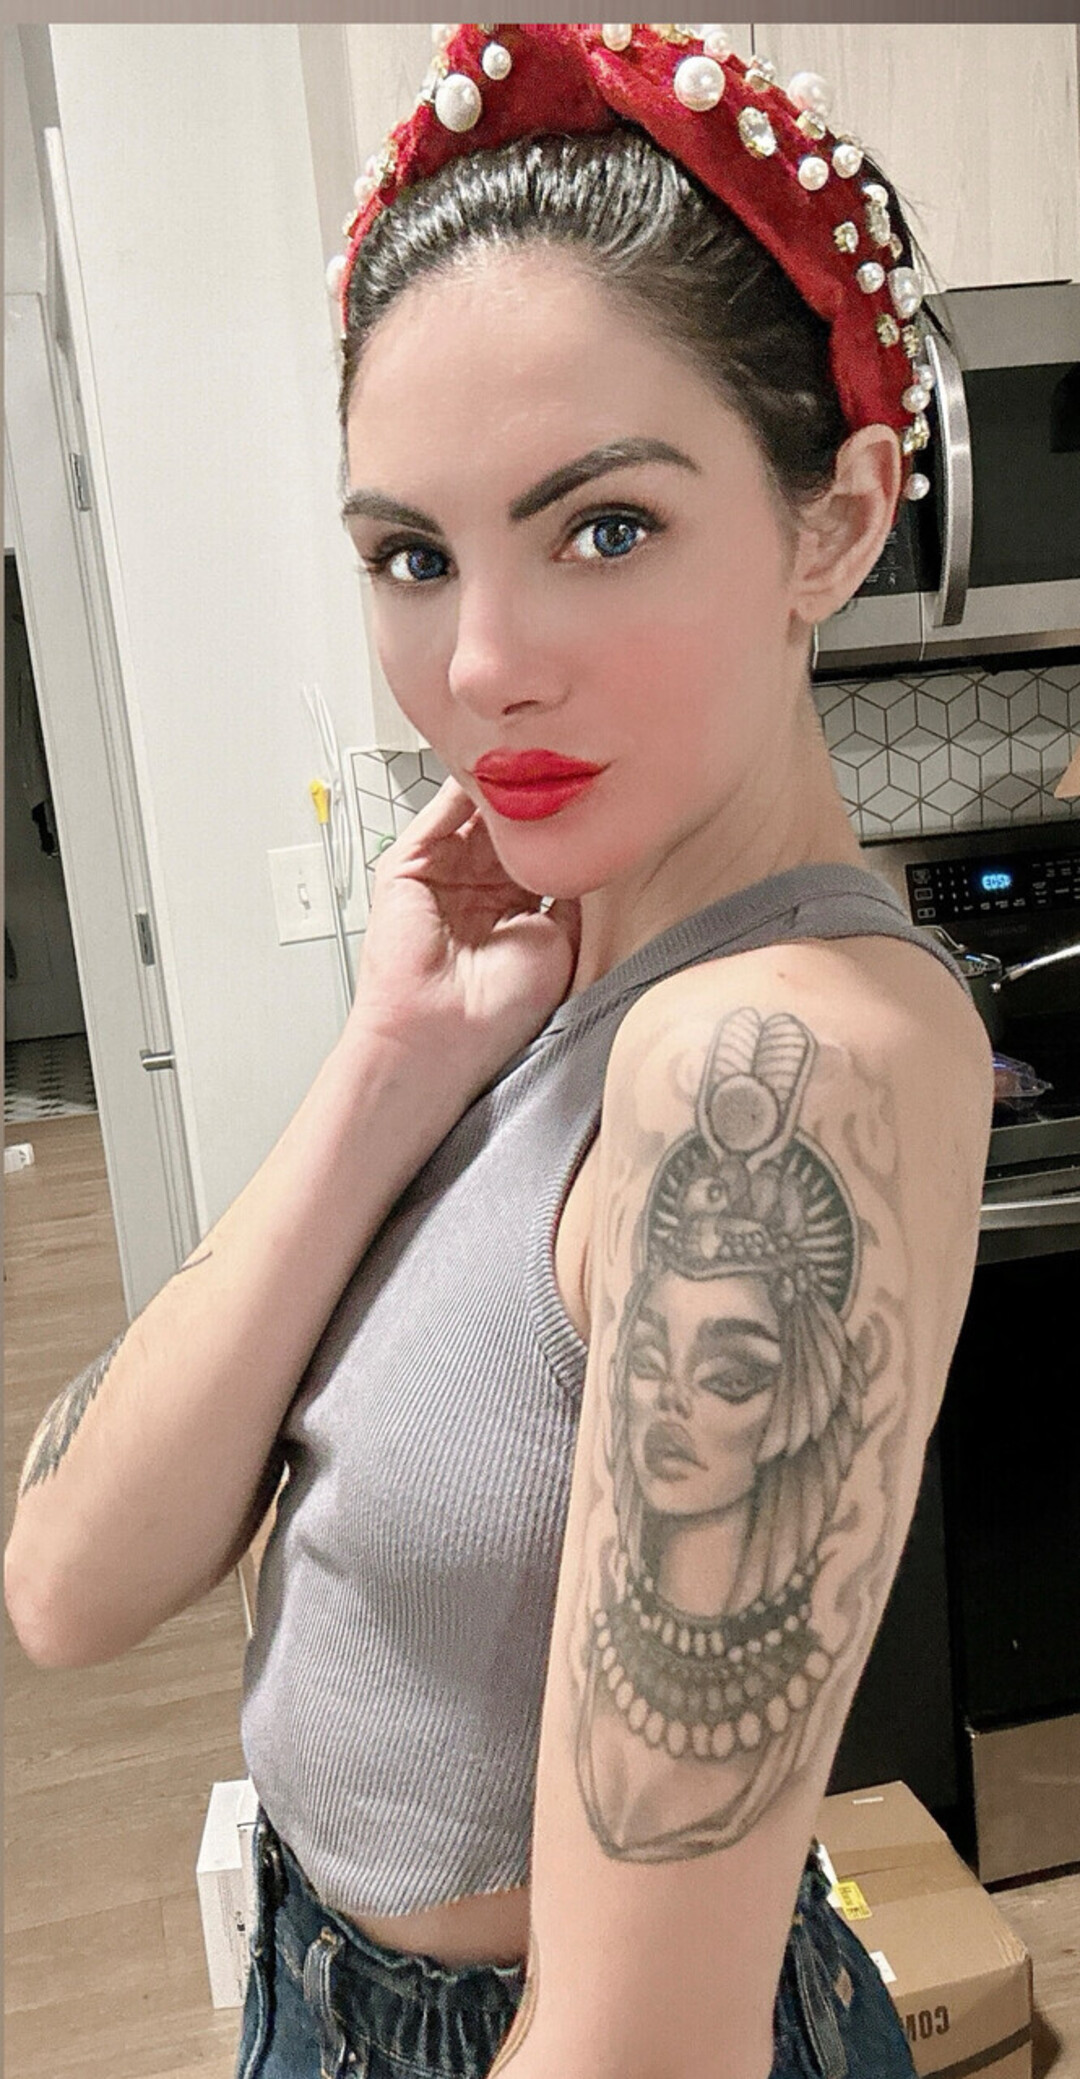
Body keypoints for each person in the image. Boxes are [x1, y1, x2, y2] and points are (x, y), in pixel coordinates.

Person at [4, 24, 994, 2079]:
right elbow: (70, 1579)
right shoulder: (535, 1002)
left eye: (605, 527)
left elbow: (639, 2043)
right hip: (326, 1981)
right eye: (412, 555)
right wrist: (388, 1063)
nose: (478, 665)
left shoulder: (773, 1067)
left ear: (833, 524)